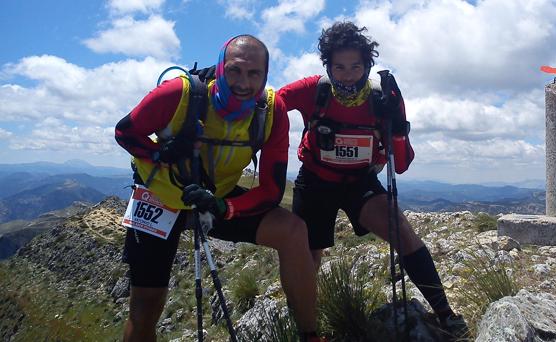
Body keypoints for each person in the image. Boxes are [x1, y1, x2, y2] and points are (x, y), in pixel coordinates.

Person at [115, 35, 322, 342]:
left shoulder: (270, 110)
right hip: (159, 198)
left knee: (293, 231)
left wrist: (224, 207)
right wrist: (162, 153)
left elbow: (271, 189)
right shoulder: (178, 94)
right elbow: (125, 132)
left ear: (265, 76)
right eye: (235, 70)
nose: (243, 82)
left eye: (254, 74)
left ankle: (310, 335)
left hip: (214, 199)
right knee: (146, 304)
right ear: (221, 68)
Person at [278, 22, 468, 339]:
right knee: (307, 255)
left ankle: (445, 314)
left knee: (402, 231)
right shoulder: (314, 89)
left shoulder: (384, 96)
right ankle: (306, 328)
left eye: (356, 66)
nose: (348, 74)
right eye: (339, 66)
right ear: (327, 66)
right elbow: (271, 104)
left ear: (368, 64)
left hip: (360, 183)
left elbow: (402, 162)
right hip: (315, 181)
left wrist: (392, 128)